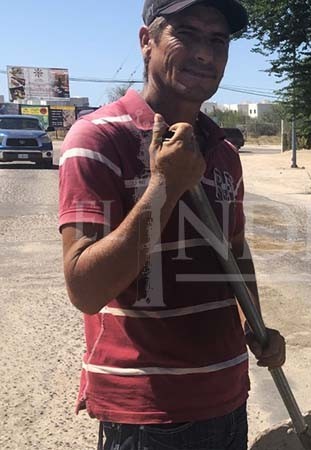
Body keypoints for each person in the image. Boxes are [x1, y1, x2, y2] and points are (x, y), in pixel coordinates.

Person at [58, 1, 285, 449]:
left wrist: (256, 325)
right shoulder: (99, 140)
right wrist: (165, 186)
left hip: (226, 398)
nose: (205, 53)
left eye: (218, 41)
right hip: (149, 415)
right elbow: (84, 290)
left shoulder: (222, 151)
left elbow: (234, 249)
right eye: (187, 33)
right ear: (147, 42)